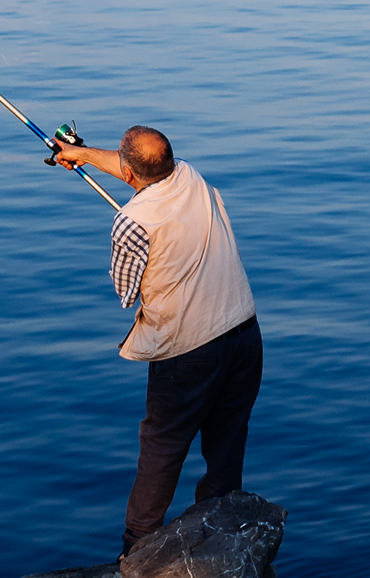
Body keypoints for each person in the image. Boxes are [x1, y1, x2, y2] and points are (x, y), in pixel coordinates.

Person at [51, 126, 263, 555]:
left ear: (129, 173)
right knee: (225, 448)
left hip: (188, 354)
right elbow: (137, 170)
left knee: (161, 450)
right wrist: (82, 154)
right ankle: (220, 550)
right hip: (244, 337)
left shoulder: (131, 223)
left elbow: (126, 294)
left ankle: (136, 553)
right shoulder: (190, 176)